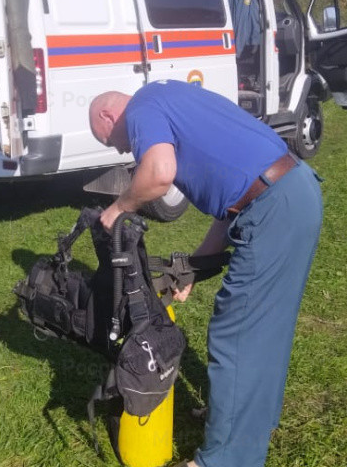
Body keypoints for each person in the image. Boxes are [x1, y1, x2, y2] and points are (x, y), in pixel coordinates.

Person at [89, 80, 323, 467]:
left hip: (273, 204)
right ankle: (245, 422)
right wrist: (194, 269)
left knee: (238, 334)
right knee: (266, 330)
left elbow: (159, 173)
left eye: (111, 140)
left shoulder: (142, 107)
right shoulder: (169, 97)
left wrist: (118, 208)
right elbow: (234, 204)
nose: (122, 149)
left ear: (109, 116)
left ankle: (225, 458)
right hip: (291, 192)